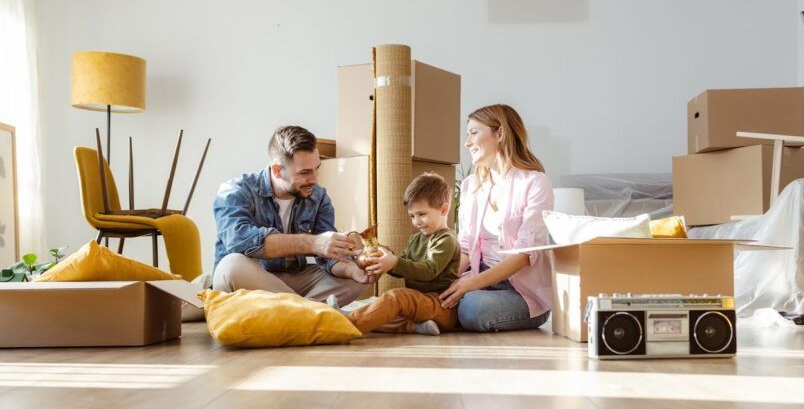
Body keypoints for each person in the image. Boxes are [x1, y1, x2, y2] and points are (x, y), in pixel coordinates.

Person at [212, 125, 374, 305]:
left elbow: (328, 258)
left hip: (292, 280)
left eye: (316, 169)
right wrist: (314, 243)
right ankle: (310, 312)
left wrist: (353, 269)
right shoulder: (235, 191)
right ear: (277, 170)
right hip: (253, 281)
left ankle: (297, 313)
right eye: (305, 172)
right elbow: (238, 241)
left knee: (356, 280)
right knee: (231, 266)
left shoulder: (318, 197)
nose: (315, 179)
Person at [438, 104, 554, 332]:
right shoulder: (472, 185)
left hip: (519, 293)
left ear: (499, 133)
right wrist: (445, 282)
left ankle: (438, 317)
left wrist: (471, 284)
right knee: (435, 294)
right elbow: (464, 247)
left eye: (473, 133)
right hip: (478, 278)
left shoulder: (535, 183)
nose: (467, 143)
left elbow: (524, 255)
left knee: (472, 307)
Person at [329, 172, 460, 336]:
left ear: (444, 209)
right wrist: (383, 261)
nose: (416, 222)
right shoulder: (416, 239)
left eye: (422, 214)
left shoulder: (446, 240)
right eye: (412, 216)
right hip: (419, 303)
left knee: (396, 298)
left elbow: (429, 270)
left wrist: (394, 262)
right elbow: (402, 266)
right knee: (382, 310)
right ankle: (416, 327)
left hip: (441, 305)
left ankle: (345, 324)